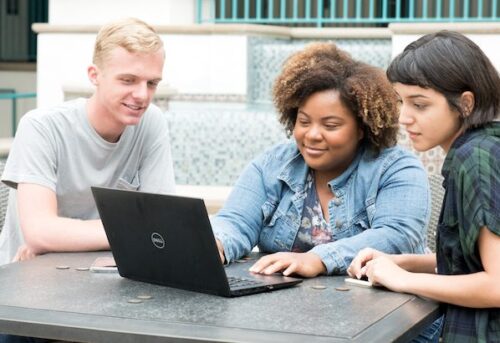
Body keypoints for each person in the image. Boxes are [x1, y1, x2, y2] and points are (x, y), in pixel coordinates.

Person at [212, 42, 429, 277]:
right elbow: (236, 221)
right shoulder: (272, 165)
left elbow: (397, 236)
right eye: (304, 122)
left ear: (362, 129)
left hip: (384, 306)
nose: (313, 135)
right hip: (288, 306)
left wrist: (318, 259)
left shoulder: (397, 169)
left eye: (330, 125)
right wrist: (216, 244)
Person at [348, 31, 500, 342]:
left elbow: (496, 285)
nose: (404, 118)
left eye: (420, 105)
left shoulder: (475, 160)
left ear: (465, 103)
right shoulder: (482, 147)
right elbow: (472, 259)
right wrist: (404, 262)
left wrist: (403, 279)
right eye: (401, 102)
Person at [0, 17, 175, 266]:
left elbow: (163, 220)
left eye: (152, 83)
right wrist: (137, 230)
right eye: (128, 80)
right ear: (95, 75)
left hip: (104, 272)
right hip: (27, 278)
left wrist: (59, 237)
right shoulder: (41, 127)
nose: (142, 95)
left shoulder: (151, 122)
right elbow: (39, 232)